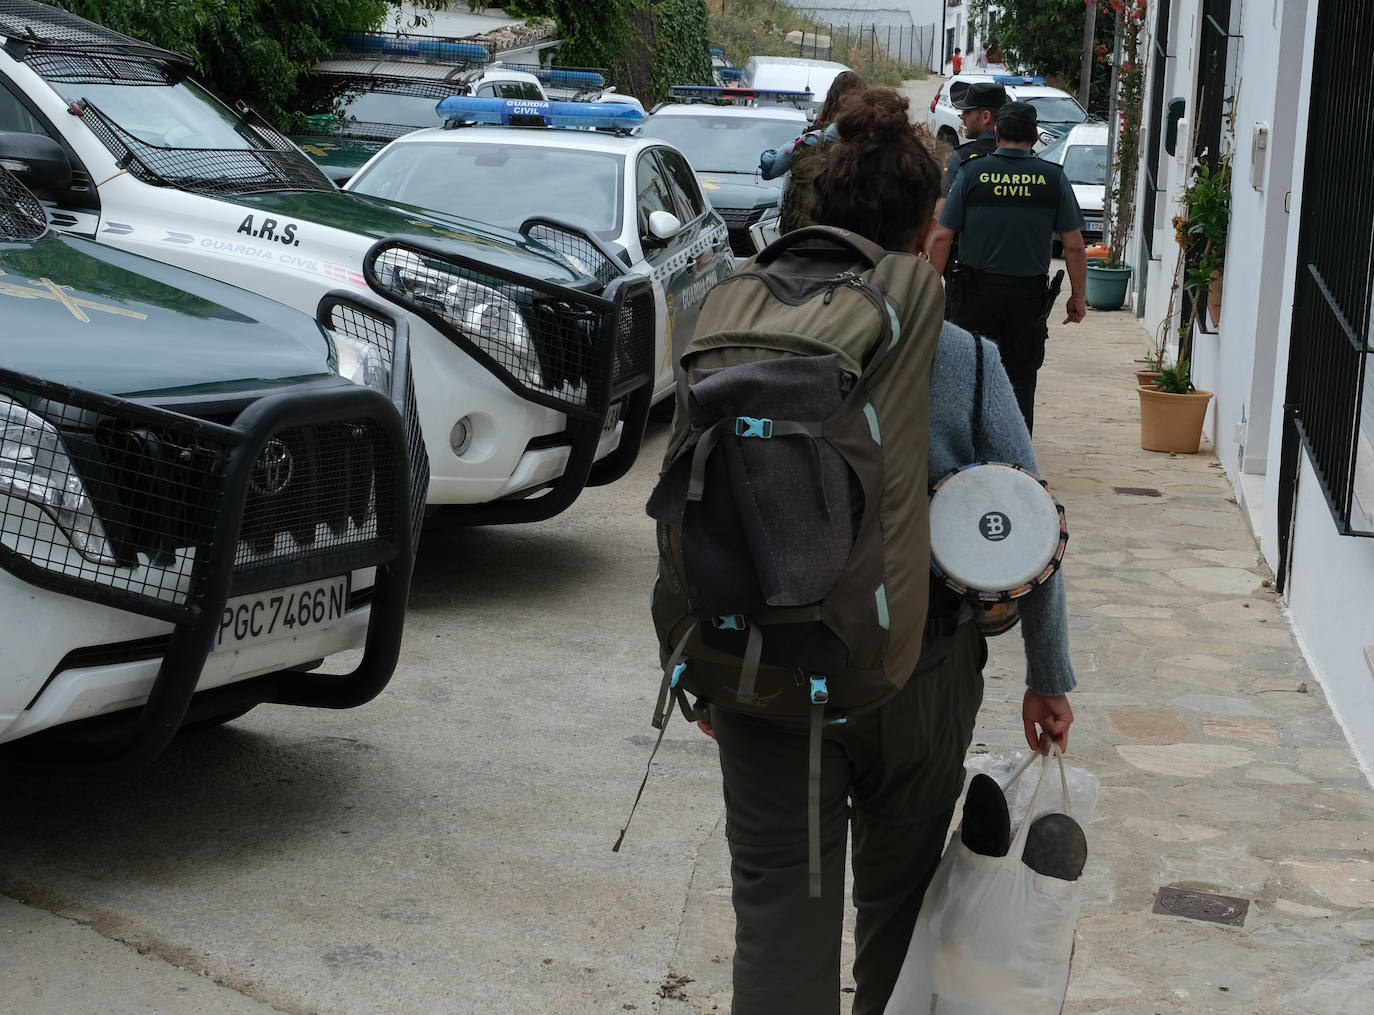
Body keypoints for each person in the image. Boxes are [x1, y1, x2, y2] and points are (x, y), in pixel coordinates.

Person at [697, 86, 1076, 1015]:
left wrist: (697, 659)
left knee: (779, 919)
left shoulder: (739, 330)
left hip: (764, 665)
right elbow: (1027, 520)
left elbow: (694, 506)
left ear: (818, 213)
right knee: (901, 915)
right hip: (916, 669)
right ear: (920, 229)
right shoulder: (964, 357)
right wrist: (1047, 675)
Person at [927, 100, 1088, 434]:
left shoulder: (972, 173)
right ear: (1035, 137)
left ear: (997, 132)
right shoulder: (1053, 178)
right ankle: (1015, 456)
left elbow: (942, 235)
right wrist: (1078, 296)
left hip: (973, 295)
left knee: (968, 375)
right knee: (1021, 379)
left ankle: (966, 453)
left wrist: (927, 289)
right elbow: (1074, 245)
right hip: (1027, 298)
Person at [773, 70, 866, 233]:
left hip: (800, 237)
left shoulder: (809, 141)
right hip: (850, 239)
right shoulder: (870, 143)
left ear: (830, 100)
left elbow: (773, 171)